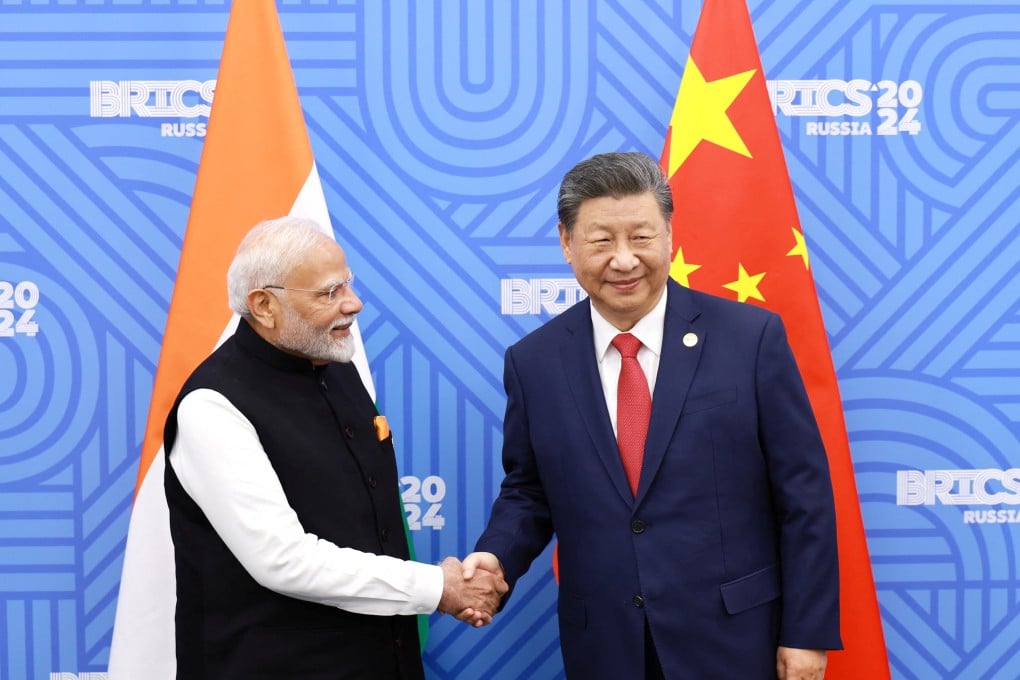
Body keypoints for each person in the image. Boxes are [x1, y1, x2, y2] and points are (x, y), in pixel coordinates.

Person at [463, 152, 842, 679]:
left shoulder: (750, 339)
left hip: (735, 639)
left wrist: (806, 633)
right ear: (567, 243)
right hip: (606, 645)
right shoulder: (533, 363)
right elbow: (528, 489)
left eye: (641, 237)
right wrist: (496, 557)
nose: (624, 260)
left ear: (669, 236)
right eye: (601, 241)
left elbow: (804, 495)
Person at [163, 216, 506, 679]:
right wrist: (436, 587)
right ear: (264, 304)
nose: (354, 303)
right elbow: (283, 561)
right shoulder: (212, 406)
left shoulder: (334, 362)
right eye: (330, 293)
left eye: (349, 285)